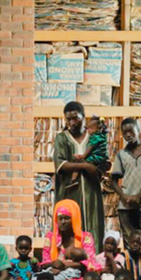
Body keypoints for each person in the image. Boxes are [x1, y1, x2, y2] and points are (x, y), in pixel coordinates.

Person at [53, 101, 105, 245]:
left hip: (91, 190)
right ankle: (68, 255)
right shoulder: (62, 138)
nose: (72, 123)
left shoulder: (94, 138)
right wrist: (85, 166)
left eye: (76, 118)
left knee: (92, 223)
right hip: (69, 191)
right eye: (68, 119)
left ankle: (93, 256)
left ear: (84, 116)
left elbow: (103, 162)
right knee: (68, 225)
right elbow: (60, 165)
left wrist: (97, 168)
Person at [107, 118, 141, 248]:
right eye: (125, 132)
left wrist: (139, 195)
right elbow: (113, 181)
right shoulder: (121, 155)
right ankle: (131, 262)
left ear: (139, 130)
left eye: (131, 131)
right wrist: (123, 196)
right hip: (125, 204)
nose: (128, 135)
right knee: (130, 241)